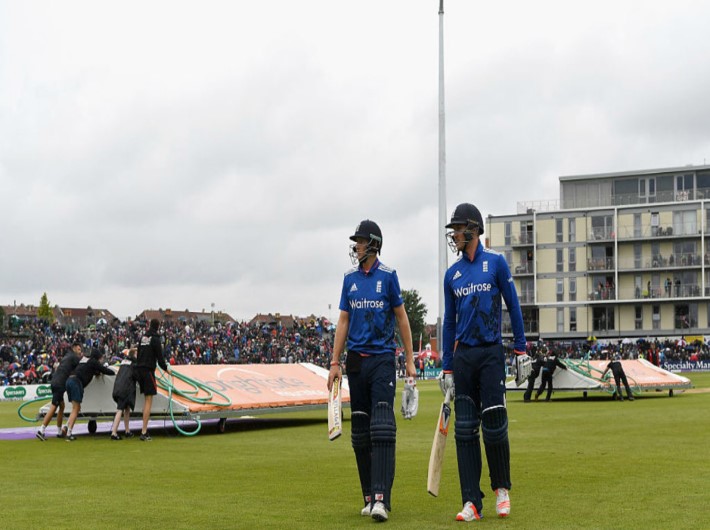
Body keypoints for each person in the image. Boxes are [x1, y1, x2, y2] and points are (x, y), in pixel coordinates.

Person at [439, 203, 527, 521]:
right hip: (463, 358)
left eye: (458, 229)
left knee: (494, 425)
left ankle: (501, 490)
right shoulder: (453, 275)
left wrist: (521, 350)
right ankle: (471, 502)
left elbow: (513, 306)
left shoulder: (496, 264)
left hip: (491, 352)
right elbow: (449, 323)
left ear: (473, 229)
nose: (455, 235)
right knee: (465, 430)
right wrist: (446, 366)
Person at [327, 219, 416, 523]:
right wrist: (334, 362)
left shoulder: (388, 276)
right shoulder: (349, 278)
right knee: (360, 434)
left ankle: (381, 499)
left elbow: (402, 319)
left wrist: (409, 359)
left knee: (382, 428)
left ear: (373, 244)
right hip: (356, 361)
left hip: (381, 359)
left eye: (360, 242)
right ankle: (367, 496)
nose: (356, 247)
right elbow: (343, 321)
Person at [64, 347, 116, 441]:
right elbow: (106, 371)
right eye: (101, 358)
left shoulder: (86, 362)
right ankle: (69, 433)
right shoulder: (93, 362)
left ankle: (66, 427)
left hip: (69, 381)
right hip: (76, 382)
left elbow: (90, 371)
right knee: (76, 409)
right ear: (97, 357)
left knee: (75, 408)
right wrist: (116, 372)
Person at [36, 339, 82, 441]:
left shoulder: (67, 356)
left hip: (55, 381)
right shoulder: (74, 357)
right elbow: (82, 366)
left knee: (62, 406)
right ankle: (41, 430)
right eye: (79, 349)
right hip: (60, 384)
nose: (80, 352)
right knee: (53, 407)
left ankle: (59, 431)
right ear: (74, 348)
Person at [135, 318, 170, 441]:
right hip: (148, 370)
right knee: (148, 401)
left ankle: (144, 430)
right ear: (158, 326)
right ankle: (144, 431)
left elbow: (138, 354)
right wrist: (166, 369)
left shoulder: (143, 338)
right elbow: (160, 359)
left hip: (139, 370)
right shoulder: (155, 339)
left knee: (145, 399)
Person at [110, 348, 138, 440]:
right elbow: (136, 375)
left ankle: (127, 430)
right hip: (125, 389)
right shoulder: (133, 364)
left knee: (126, 409)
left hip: (118, 387)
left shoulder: (123, 363)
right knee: (120, 410)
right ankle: (114, 432)